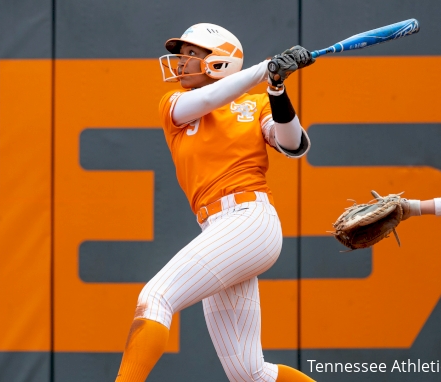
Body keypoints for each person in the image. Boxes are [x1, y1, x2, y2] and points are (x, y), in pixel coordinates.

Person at [115, 23, 316, 382]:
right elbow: (210, 100)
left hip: (250, 218)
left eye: (192, 54)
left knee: (156, 297)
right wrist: (265, 69)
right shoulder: (175, 104)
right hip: (218, 228)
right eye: (183, 54)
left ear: (220, 63)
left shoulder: (254, 105)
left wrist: (277, 88)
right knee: (249, 374)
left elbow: (292, 142)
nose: (181, 62)